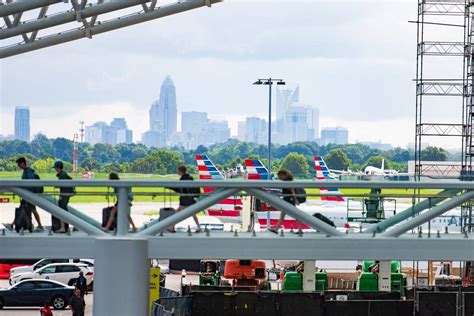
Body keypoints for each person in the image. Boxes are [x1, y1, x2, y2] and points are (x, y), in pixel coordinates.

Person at [4, 157, 44, 232]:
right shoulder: (27, 171)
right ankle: (12, 224)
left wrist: (27, 195)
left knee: (32, 210)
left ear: (23, 163)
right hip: (27, 195)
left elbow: (29, 184)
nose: (18, 166)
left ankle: (39, 225)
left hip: (28, 196)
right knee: (30, 210)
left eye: (19, 164)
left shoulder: (27, 172)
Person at [269, 169, 303, 235]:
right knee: (285, 215)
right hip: (288, 200)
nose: (280, 178)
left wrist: (295, 199)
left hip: (289, 200)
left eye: (280, 176)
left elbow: (292, 190)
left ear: (284, 175)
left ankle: (276, 229)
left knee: (293, 215)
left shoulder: (288, 182)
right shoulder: (288, 181)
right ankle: (276, 229)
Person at [169, 166, 201, 233]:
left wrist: (169, 187)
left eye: (178, 170)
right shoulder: (190, 178)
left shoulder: (183, 179)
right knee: (192, 213)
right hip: (190, 199)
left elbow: (179, 189)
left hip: (185, 199)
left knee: (177, 214)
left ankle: (172, 227)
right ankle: (198, 227)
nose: (177, 171)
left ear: (181, 171)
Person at [53, 160, 73, 233]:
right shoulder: (64, 174)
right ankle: (65, 227)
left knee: (62, 211)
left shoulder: (62, 175)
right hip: (66, 195)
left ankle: (63, 228)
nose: (55, 169)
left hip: (64, 195)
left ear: (58, 168)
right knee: (64, 210)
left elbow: (61, 185)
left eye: (55, 167)